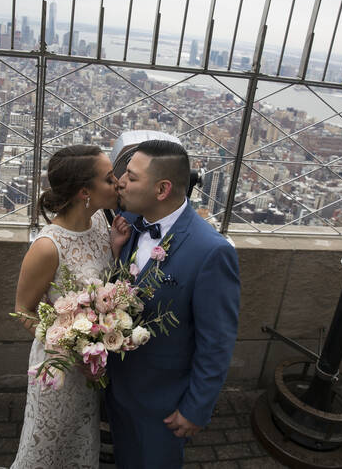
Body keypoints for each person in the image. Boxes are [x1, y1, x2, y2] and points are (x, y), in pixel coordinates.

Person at [105, 139, 241, 468]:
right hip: (119, 388)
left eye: (132, 178)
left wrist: (196, 408)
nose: (121, 181)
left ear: (162, 189)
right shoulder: (128, 222)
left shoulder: (211, 252)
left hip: (163, 404)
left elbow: (217, 341)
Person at [10, 145, 130, 469]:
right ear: (84, 192)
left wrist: (116, 251)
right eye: (109, 179)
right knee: (47, 446)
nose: (118, 183)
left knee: (80, 442)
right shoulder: (48, 247)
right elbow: (22, 309)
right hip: (58, 371)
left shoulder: (101, 225)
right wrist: (66, 345)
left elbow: (103, 287)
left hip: (90, 369)